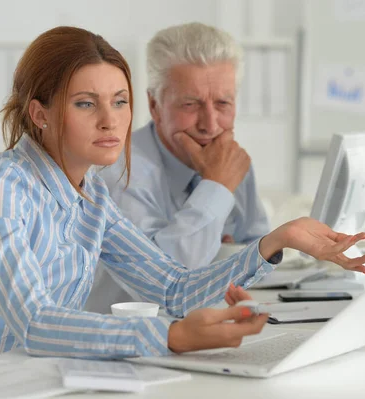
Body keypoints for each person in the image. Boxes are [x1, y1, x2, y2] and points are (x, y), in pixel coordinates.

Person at [0, 26, 365, 370]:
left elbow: (173, 287)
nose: (109, 120)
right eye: (85, 104)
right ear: (39, 114)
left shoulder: (92, 194)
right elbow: (35, 323)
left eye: (119, 102)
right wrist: (169, 337)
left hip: (42, 377)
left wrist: (276, 241)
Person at [85, 22, 271, 313]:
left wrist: (226, 255)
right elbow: (164, 289)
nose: (210, 125)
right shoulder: (121, 172)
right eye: (190, 104)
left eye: (223, 103)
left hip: (205, 325)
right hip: (126, 339)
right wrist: (217, 189)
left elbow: (257, 247)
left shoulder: (230, 159)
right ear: (155, 105)